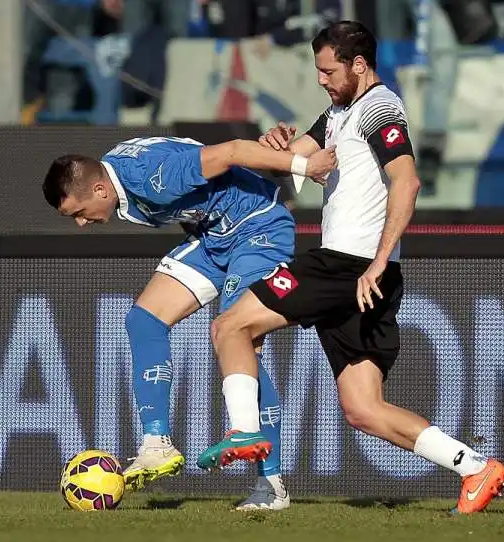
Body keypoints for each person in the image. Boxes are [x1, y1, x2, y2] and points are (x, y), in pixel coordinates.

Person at [196, 21, 504, 514]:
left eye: (328, 70)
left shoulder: (380, 109)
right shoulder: (341, 110)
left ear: (358, 65)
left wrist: (378, 262)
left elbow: (406, 183)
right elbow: (291, 161)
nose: (321, 78)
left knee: (229, 325)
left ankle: (245, 431)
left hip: (349, 264)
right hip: (360, 274)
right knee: (363, 409)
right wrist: (273, 144)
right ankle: (474, 467)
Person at [41, 135, 336, 510]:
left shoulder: (151, 177)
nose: (82, 223)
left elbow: (230, 152)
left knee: (238, 339)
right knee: (144, 320)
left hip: (257, 227)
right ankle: (156, 444)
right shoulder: (116, 176)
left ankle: (271, 483)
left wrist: (303, 165)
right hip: (214, 238)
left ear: (99, 189)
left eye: (78, 212)